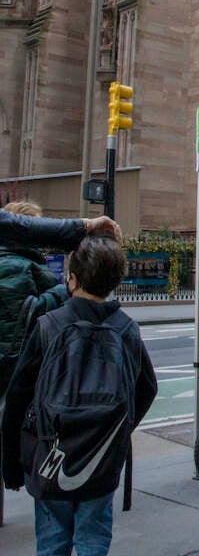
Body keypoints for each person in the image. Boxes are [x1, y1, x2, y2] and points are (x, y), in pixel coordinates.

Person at [2, 236, 157, 556]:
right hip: (101, 461)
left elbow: (17, 396)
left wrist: (13, 466)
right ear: (115, 282)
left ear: (71, 280)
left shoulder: (48, 326)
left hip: (50, 457)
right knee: (93, 541)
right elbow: (147, 388)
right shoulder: (125, 329)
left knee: (52, 543)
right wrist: (118, 431)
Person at [1, 202, 73, 398]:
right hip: (16, 367)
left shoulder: (13, 259)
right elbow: (28, 316)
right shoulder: (19, 266)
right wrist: (62, 291)